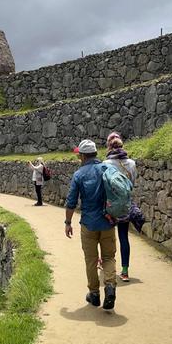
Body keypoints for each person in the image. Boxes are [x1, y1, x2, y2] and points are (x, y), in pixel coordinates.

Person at [65, 139, 117, 310]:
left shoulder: (79, 174)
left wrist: (68, 222)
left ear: (83, 156)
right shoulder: (108, 168)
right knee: (109, 257)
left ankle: (94, 294)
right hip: (108, 222)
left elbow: (71, 201)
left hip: (88, 223)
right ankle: (110, 287)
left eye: (79, 154)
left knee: (91, 260)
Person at [104, 132, 137, 282]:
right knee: (124, 237)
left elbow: (104, 186)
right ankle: (125, 271)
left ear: (109, 147)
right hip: (125, 206)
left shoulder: (106, 164)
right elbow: (132, 184)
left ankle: (105, 264)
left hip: (110, 206)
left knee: (105, 237)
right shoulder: (131, 163)